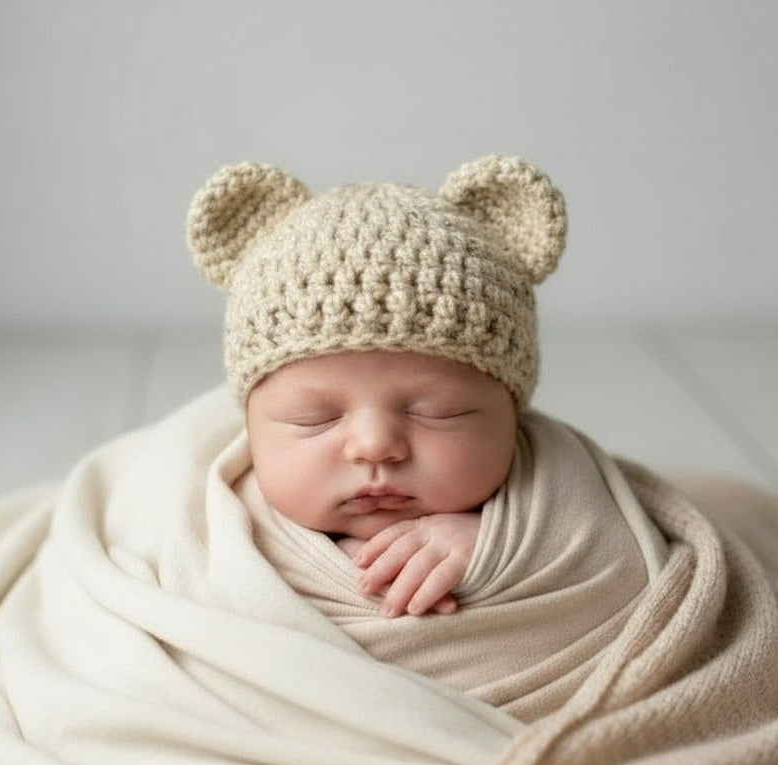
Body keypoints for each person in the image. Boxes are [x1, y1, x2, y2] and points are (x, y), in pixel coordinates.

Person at [187, 153, 571, 620]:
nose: (375, 446)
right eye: (315, 418)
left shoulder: (563, 493)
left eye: (438, 411)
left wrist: (500, 545)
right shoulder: (214, 523)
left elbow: (609, 558)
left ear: (512, 412)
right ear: (251, 422)